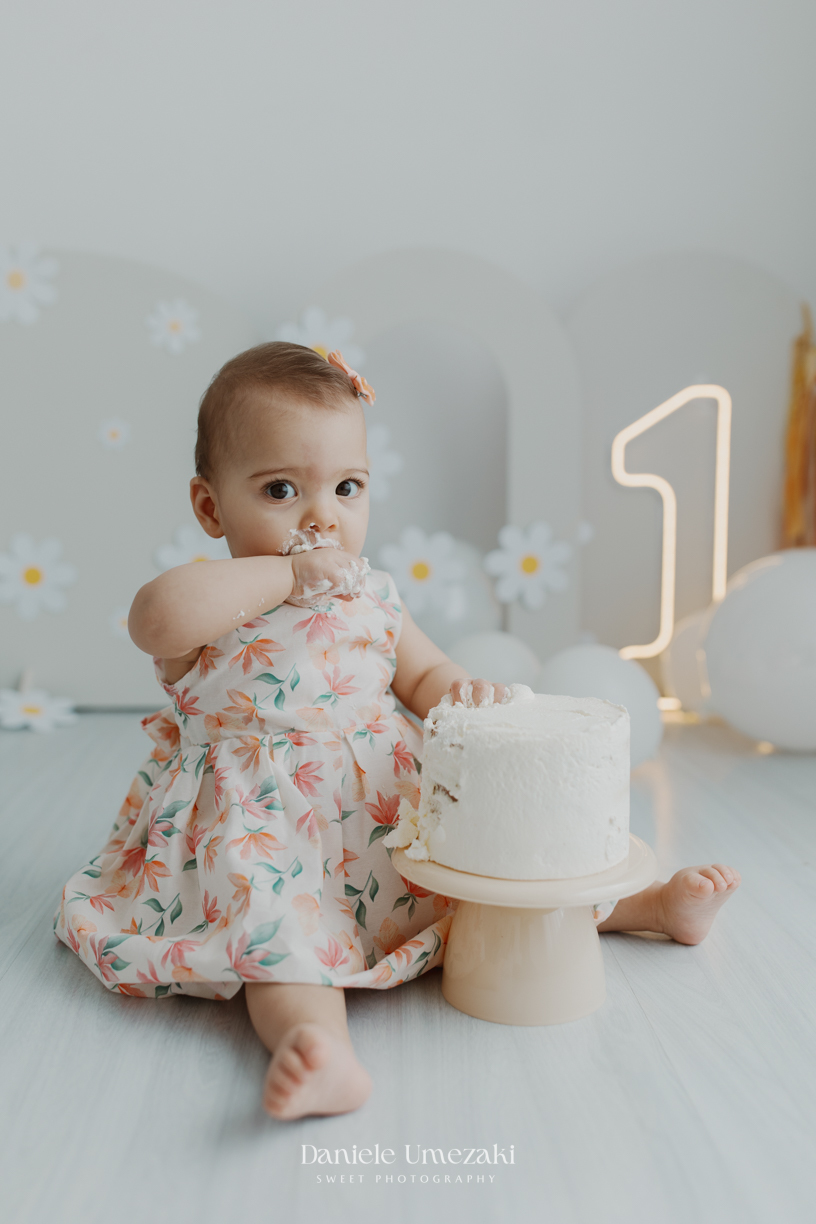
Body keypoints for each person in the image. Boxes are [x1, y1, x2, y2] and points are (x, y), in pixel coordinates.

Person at [53, 342, 741, 1121]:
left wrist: (461, 690)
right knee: (278, 941)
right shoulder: (214, 603)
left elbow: (421, 677)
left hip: (382, 807)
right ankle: (317, 1050)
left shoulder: (372, 596)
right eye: (281, 489)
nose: (322, 517)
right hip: (260, 833)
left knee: (491, 871)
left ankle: (646, 908)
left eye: (347, 487)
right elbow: (153, 620)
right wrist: (285, 576)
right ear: (211, 508)